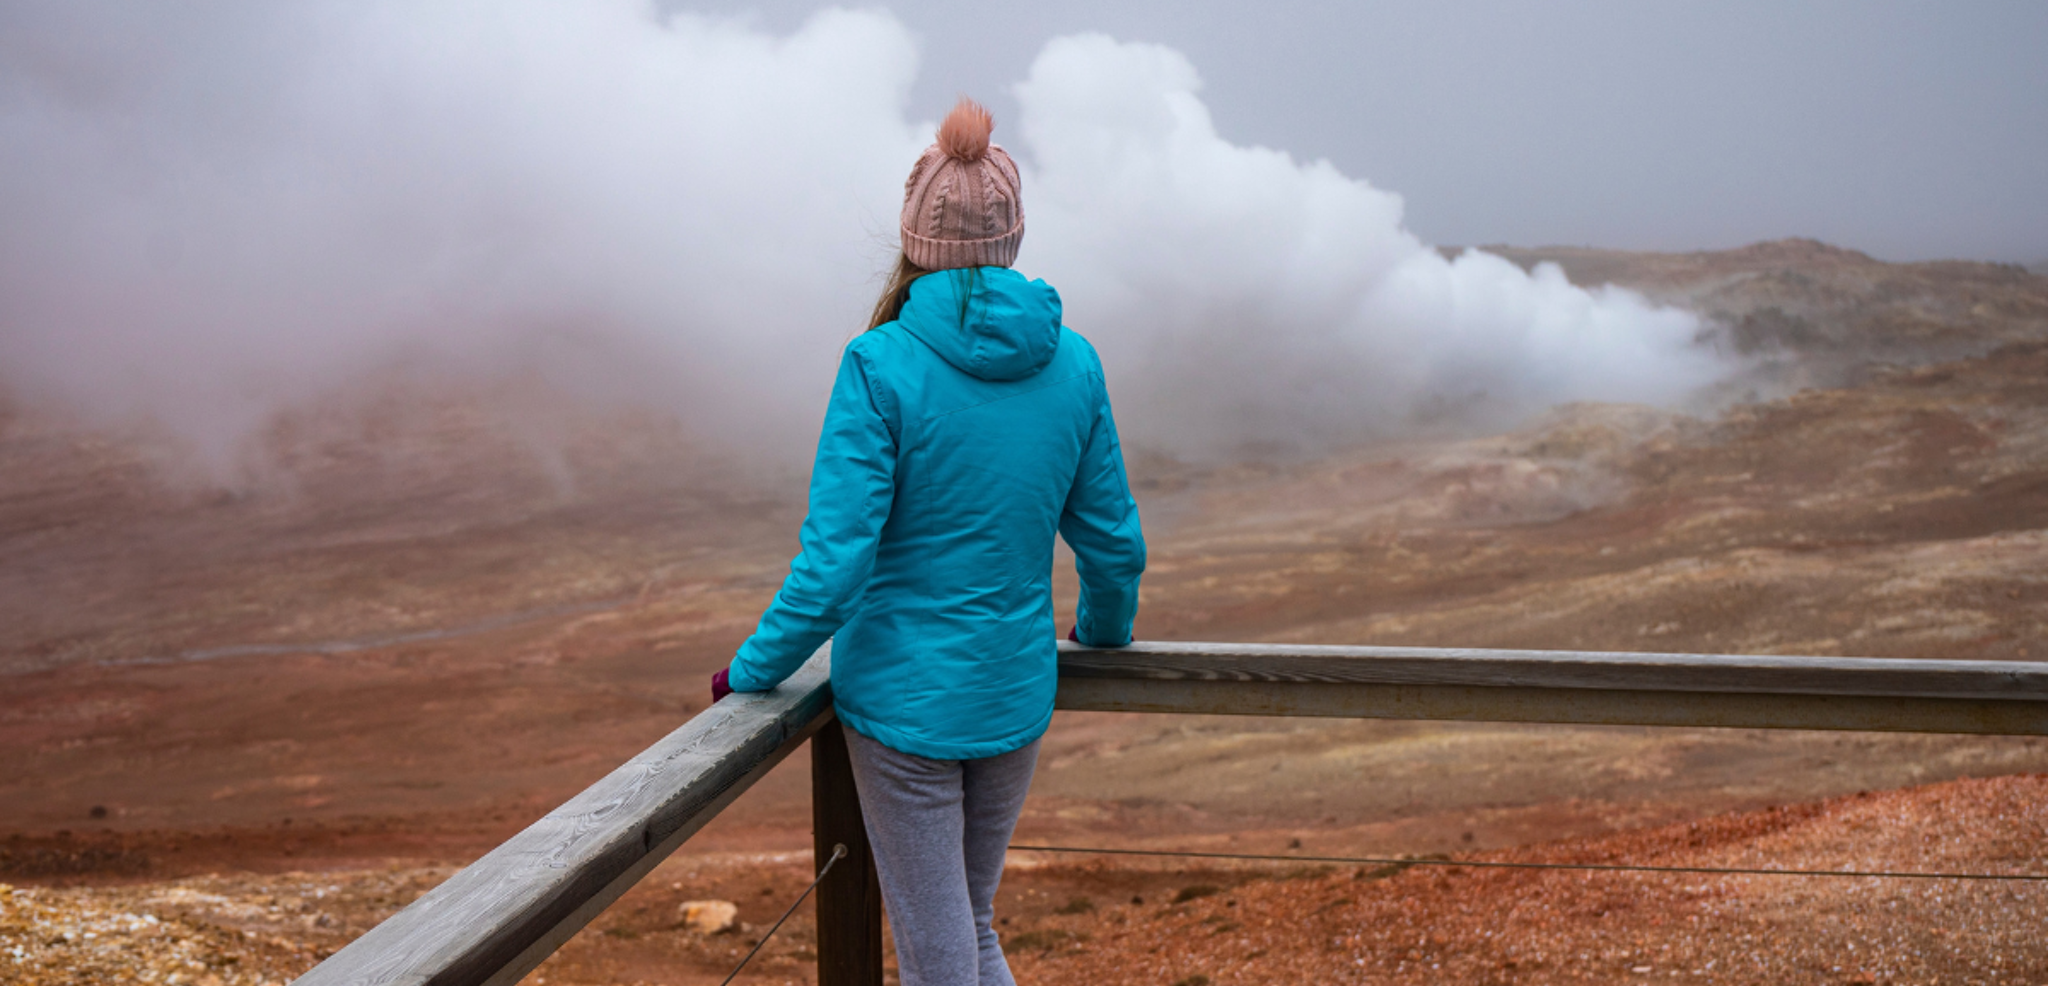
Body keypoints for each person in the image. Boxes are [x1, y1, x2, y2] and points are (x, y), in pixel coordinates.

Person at [710, 97, 1146, 986]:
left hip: (904, 706)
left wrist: (751, 673)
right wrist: (1103, 633)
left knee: (939, 957)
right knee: (970, 930)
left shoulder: (878, 364)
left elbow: (835, 567)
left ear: (913, 237)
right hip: (1014, 689)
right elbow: (1113, 546)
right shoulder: (1076, 363)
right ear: (1014, 236)